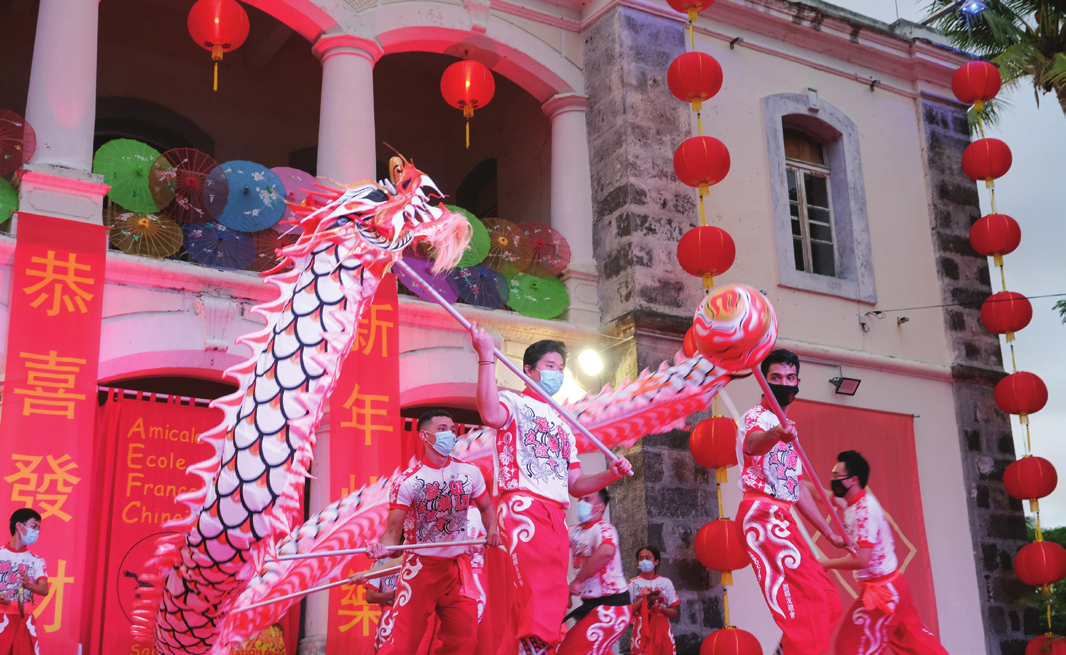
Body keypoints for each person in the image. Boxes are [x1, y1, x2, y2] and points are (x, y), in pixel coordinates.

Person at [471, 328, 633, 655]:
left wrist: (609, 474)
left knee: (551, 594)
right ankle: (538, 649)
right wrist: (485, 356)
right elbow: (488, 412)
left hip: (556, 515)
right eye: (549, 365)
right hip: (522, 506)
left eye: (560, 368)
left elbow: (576, 485)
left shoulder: (563, 426)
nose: (556, 373)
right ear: (528, 370)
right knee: (541, 586)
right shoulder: (512, 403)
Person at [368, 409, 502, 655]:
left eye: (451, 429)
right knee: (402, 644)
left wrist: (492, 528)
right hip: (420, 568)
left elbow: (486, 507)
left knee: (464, 640)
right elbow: (392, 532)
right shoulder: (407, 481)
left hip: (457, 568)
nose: (449, 434)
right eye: (442, 429)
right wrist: (381, 550)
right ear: (424, 435)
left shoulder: (470, 473)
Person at [737, 349, 844, 655]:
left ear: (798, 382)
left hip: (783, 516)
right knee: (809, 602)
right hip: (762, 514)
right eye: (776, 377)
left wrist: (829, 534)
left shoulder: (787, 428)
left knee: (829, 601)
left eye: (790, 377)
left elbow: (796, 489)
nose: (784, 383)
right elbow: (753, 445)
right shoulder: (756, 418)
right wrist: (776, 434)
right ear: (764, 381)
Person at [819, 451, 948, 655]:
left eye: (837, 476)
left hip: (883, 594)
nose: (833, 479)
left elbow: (862, 559)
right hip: (894, 587)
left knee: (850, 648)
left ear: (853, 480)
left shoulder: (865, 512)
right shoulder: (852, 502)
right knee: (918, 646)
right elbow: (820, 494)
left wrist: (826, 564)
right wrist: (794, 482)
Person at [558, 489, 631, 655]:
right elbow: (551, 539)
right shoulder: (575, 532)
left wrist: (577, 582)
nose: (580, 503)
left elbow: (606, 552)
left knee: (568, 652)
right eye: (580, 499)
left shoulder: (604, 529)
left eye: (587, 499)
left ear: (600, 506)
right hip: (594, 608)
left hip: (611, 608)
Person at [0, 508, 48, 655]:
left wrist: (28, 585)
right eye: (34, 526)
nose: (37, 531)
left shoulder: (37, 560)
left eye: (39, 528)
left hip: (24, 619)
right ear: (19, 526)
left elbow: (44, 590)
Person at [628, 545, 680, 655]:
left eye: (647, 558)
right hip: (641, 628)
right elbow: (627, 610)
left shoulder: (666, 583)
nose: (644, 561)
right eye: (641, 558)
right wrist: (643, 599)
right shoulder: (633, 583)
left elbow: (674, 612)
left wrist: (661, 609)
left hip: (662, 627)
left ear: (656, 561)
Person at [355, 557, 401, 653]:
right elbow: (370, 596)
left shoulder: (415, 558)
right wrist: (395, 594)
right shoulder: (380, 563)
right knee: (385, 650)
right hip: (389, 616)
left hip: (413, 614)